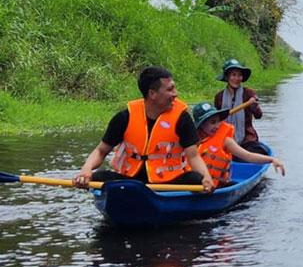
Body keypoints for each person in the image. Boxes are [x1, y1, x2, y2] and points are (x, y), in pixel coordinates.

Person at [73, 66, 214, 192]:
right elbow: (101, 151)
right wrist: (86, 170)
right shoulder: (124, 117)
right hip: (131, 180)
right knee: (97, 177)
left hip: (169, 182)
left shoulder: (182, 118)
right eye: (170, 89)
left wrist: (206, 177)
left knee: (196, 178)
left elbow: (193, 156)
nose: (175, 94)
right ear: (152, 94)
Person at [191, 102, 285, 186]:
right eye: (212, 123)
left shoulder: (226, 141)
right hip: (197, 184)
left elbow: (248, 156)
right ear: (201, 125)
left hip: (219, 185)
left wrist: (272, 160)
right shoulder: (192, 142)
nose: (217, 126)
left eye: (218, 121)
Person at [214, 58, 266, 153]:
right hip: (226, 138)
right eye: (233, 75)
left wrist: (254, 105)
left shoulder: (249, 93)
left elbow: (258, 116)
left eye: (239, 75)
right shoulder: (219, 97)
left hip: (247, 140)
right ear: (227, 77)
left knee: (260, 152)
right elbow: (215, 119)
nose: (237, 78)